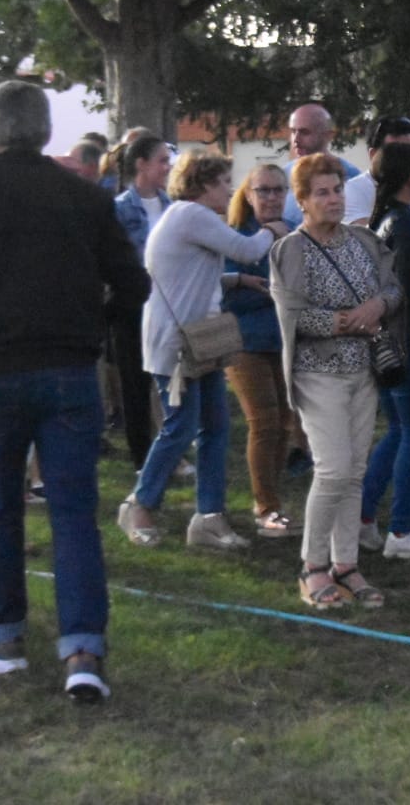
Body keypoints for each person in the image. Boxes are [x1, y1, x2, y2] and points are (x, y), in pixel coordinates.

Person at [0, 80, 148, 702]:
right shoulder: (82, 197)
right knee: (73, 511)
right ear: (46, 131)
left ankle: (2, 637)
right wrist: (90, 324)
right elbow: (132, 283)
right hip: (68, 368)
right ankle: (83, 649)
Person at [118, 151, 289, 551]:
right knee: (181, 425)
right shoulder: (192, 215)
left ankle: (208, 519)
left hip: (205, 332)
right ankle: (139, 503)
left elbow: (189, 270)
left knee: (215, 427)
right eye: (223, 182)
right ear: (203, 185)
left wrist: (235, 281)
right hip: (177, 340)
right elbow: (249, 248)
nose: (230, 189)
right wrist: (275, 228)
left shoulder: (189, 219)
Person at [271, 154, 402, 608]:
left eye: (338, 189)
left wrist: (378, 308)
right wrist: (342, 322)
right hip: (317, 372)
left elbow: (393, 287)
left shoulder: (364, 241)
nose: (333, 199)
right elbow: (290, 314)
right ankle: (313, 567)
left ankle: (346, 564)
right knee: (332, 470)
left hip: (362, 370)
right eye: (322, 192)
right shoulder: (292, 249)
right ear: (303, 201)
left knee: (356, 472)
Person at [359, 142, 410, 557]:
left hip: (385, 342)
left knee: (398, 430)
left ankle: (361, 516)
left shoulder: (385, 221)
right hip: (407, 343)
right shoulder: (405, 225)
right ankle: (403, 529)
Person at [223, 163, 302, 538]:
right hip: (244, 342)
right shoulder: (236, 235)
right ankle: (265, 506)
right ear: (249, 193)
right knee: (263, 422)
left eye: (278, 190)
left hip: (282, 342)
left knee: (285, 422)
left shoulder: (291, 232)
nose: (272, 197)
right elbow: (223, 291)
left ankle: (273, 500)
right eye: (264, 190)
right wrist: (265, 292)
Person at [112, 134, 174, 471]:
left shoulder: (171, 207)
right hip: (133, 309)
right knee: (135, 386)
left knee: (170, 385)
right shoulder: (120, 208)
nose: (167, 167)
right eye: (161, 160)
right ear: (141, 164)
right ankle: (142, 459)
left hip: (168, 307)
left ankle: (170, 452)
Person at [282, 103, 362, 226]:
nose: (296, 140)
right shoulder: (282, 176)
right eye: (293, 131)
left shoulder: (351, 176)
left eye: (305, 132)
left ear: (328, 135)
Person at [345, 115, 410, 225]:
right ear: (373, 155)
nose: (406, 159)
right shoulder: (354, 190)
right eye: (396, 152)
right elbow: (364, 238)